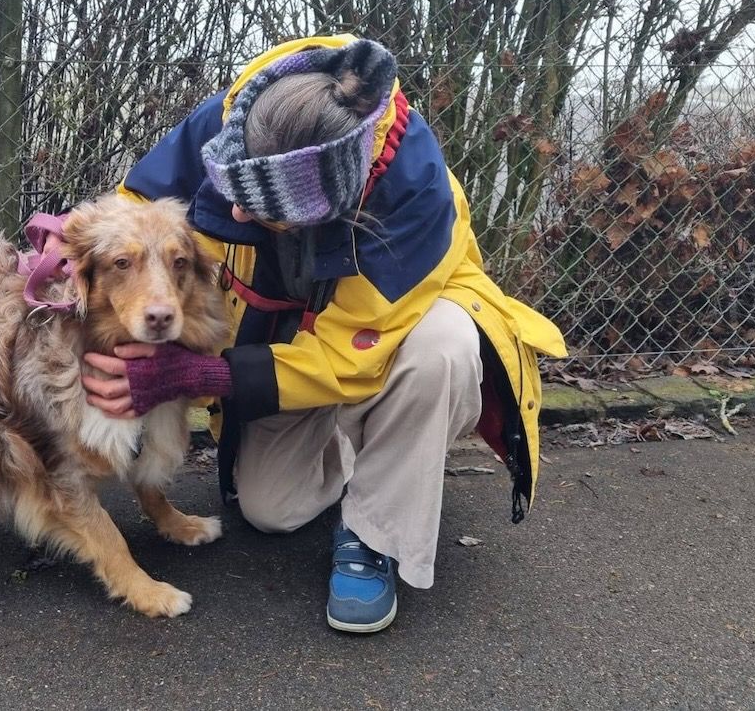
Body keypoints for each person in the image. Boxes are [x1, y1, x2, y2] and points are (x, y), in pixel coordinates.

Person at [78, 35, 567, 633]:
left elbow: (348, 354)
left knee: (442, 347)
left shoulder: (414, 198)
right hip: (290, 336)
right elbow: (135, 205)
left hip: (396, 337)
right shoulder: (238, 116)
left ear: (329, 204)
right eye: (233, 190)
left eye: (262, 210)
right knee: (272, 511)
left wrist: (203, 374)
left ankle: (375, 535)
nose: (235, 215)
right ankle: (370, 446)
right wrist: (67, 242)